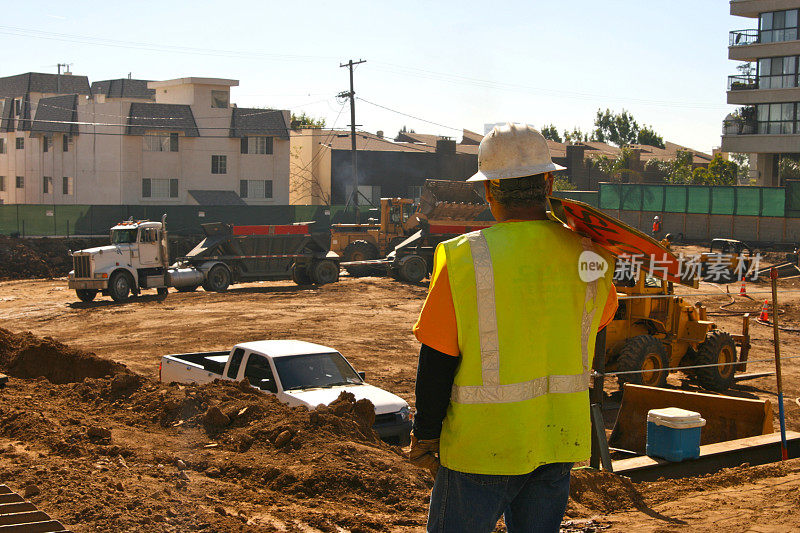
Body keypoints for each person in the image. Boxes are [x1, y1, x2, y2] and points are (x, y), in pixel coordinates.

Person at [409, 123, 618, 533]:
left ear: (488, 191)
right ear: (549, 182)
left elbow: (436, 357)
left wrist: (427, 433)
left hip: (479, 449)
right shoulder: (593, 258)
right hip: (557, 443)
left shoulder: (464, 257)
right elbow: (599, 323)